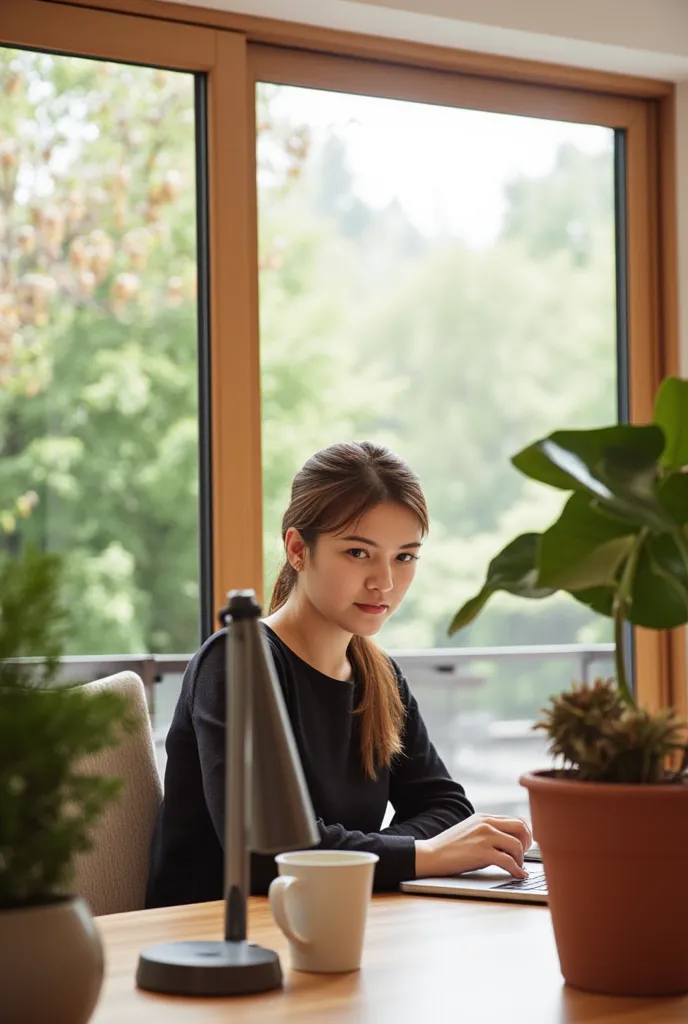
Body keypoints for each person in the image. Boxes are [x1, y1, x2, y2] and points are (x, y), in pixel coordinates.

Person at [145, 441, 532, 908]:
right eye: (357, 553)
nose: (384, 582)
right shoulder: (237, 662)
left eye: (404, 557)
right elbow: (264, 850)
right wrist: (421, 853)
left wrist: (385, 855)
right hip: (217, 939)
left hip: (331, 915)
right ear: (297, 549)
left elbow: (447, 809)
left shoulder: (378, 674)